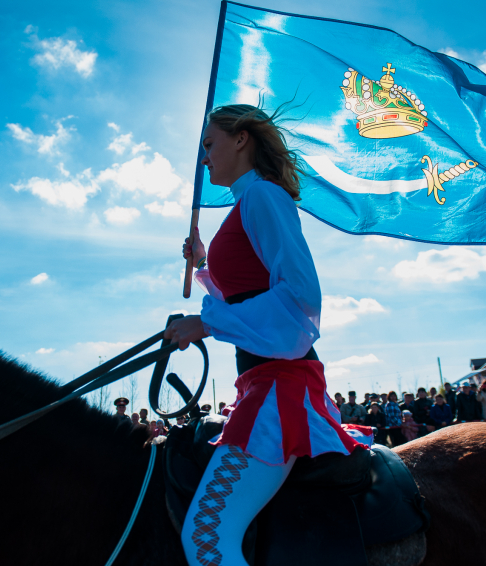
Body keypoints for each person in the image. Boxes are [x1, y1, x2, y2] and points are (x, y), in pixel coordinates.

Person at [163, 103, 362, 566]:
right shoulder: (247, 202)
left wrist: (205, 324)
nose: (204, 157)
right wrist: (204, 269)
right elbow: (250, 294)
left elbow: (298, 300)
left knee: (207, 538)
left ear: (241, 139)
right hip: (263, 383)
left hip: (279, 387)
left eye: (209, 145)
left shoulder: (262, 198)